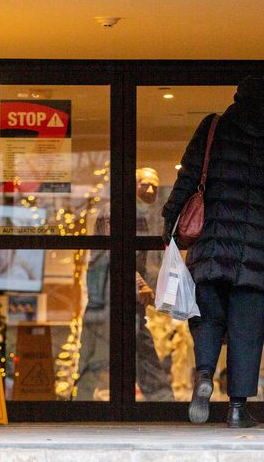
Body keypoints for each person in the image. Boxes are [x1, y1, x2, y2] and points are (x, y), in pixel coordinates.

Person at [162, 76, 264, 428]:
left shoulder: (213, 128)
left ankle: (205, 372)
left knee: (207, 316)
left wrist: (170, 220)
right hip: (256, 251)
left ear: (237, 98)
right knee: (247, 328)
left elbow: (189, 177)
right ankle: (237, 408)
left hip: (212, 245)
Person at [76, 167, 174, 401]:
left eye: (154, 186)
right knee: (102, 353)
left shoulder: (144, 216)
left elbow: (145, 259)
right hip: (109, 296)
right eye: (144, 185)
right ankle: (162, 402)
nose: (149, 190)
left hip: (124, 298)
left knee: (134, 351)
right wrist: (141, 286)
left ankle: (161, 402)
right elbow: (119, 254)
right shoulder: (117, 212)